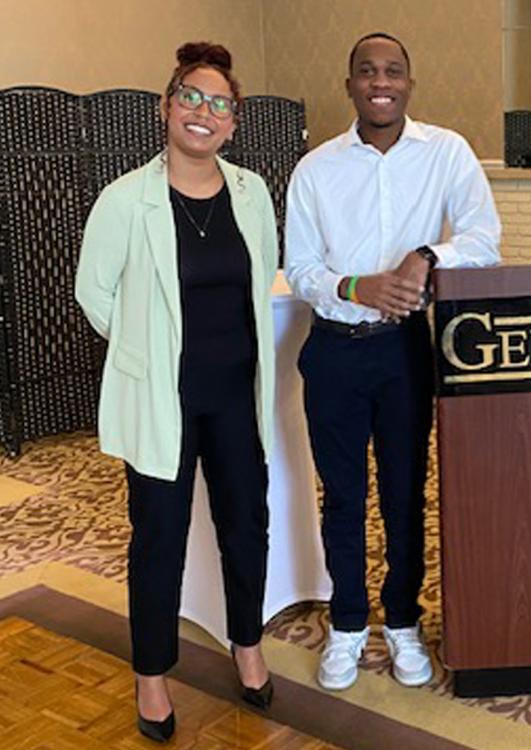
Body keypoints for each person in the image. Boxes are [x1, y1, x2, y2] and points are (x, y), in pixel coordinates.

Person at [284, 32, 501, 691]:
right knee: (343, 497)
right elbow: (300, 268)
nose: (381, 81)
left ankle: (403, 620)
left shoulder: (448, 153)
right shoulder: (315, 169)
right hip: (333, 353)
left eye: (394, 71)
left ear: (410, 82)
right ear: (349, 84)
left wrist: (428, 257)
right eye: (367, 71)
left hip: (406, 352)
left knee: (406, 495)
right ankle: (349, 623)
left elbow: (485, 239)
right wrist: (357, 287)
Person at [75, 42, 278, 742]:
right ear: (167, 107)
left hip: (234, 394)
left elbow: (262, 286)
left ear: (234, 121)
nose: (203, 112)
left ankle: (246, 646)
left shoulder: (251, 194)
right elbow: (93, 293)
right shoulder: (126, 199)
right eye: (190, 96)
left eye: (219, 103)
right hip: (162, 397)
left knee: (246, 525)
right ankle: (152, 676)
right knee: (158, 539)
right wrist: (144, 350)